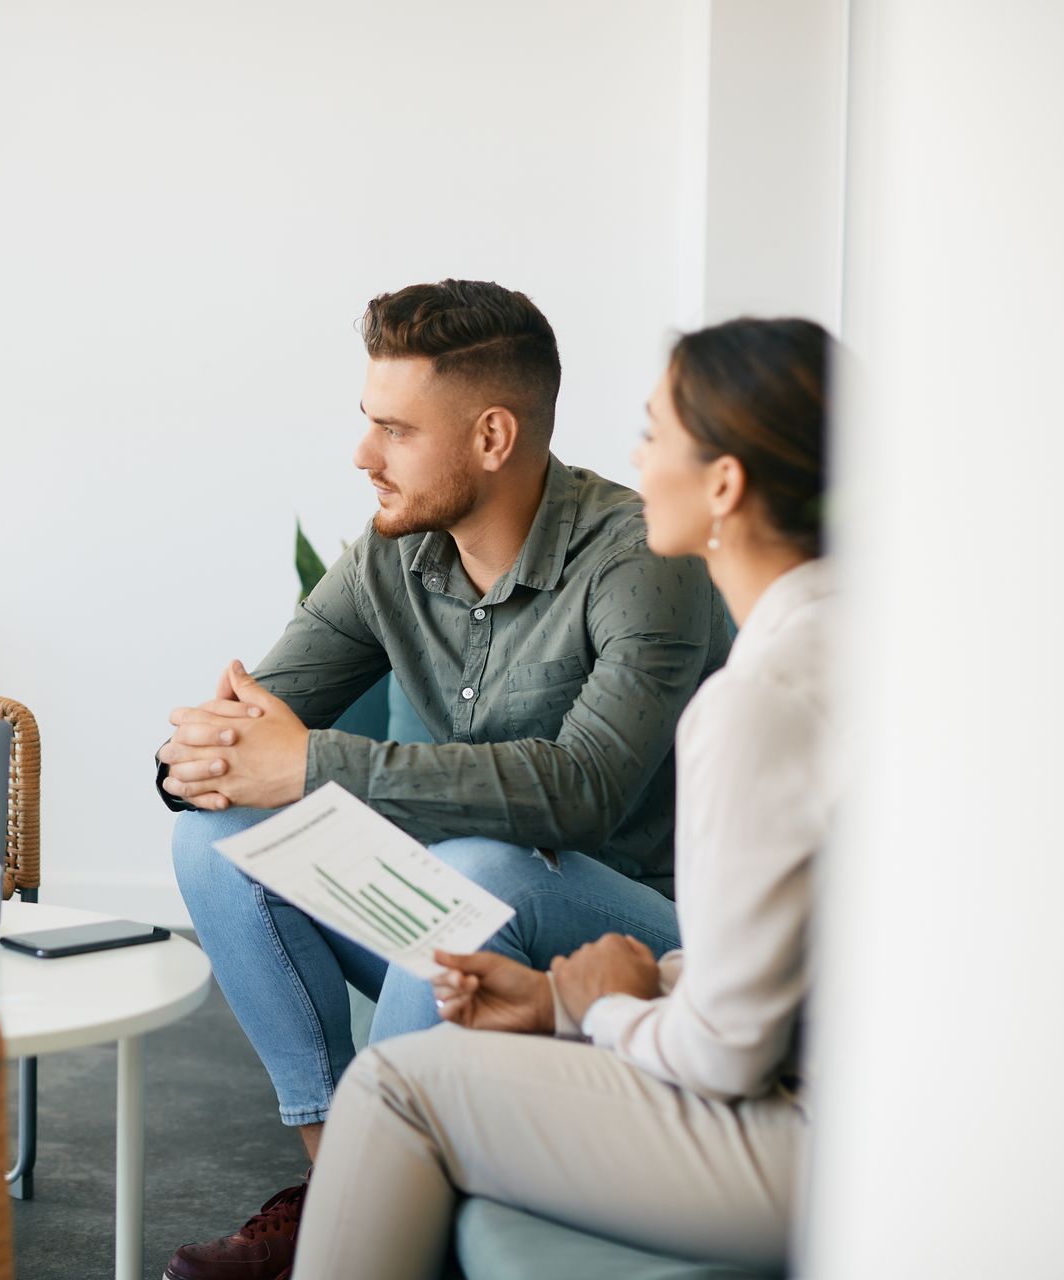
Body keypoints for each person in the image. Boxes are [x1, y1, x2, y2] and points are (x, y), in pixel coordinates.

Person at [160, 279, 732, 1280]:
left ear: (493, 436)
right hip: (454, 932)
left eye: (394, 429)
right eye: (366, 423)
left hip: (637, 935)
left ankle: (367, 1216)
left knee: (488, 868)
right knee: (213, 838)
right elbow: (250, 725)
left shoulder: (640, 556)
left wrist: (310, 761)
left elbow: (584, 787)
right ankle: (344, 1185)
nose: (363, 456)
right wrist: (199, 758)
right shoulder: (394, 554)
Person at [290, 317, 832, 1278]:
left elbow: (727, 1057)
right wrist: (555, 999)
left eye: (655, 431)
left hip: (834, 1145)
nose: (632, 457)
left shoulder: (755, 702)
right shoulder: (846, 643)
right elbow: (805, 969)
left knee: (395, 1086)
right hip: (841, 1082)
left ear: (724, 485)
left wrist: (601, 1009)